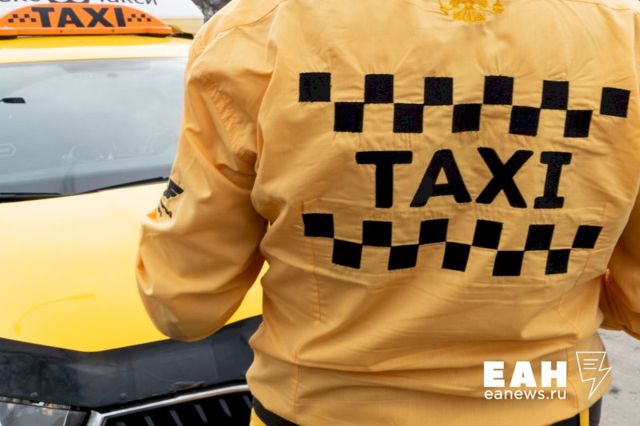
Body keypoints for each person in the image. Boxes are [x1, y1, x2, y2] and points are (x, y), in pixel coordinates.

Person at [136, 0, 640, 424]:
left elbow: (183, 305)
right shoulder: (623, 36)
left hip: (324, 407)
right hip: (547, 394)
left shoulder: (257, 30)